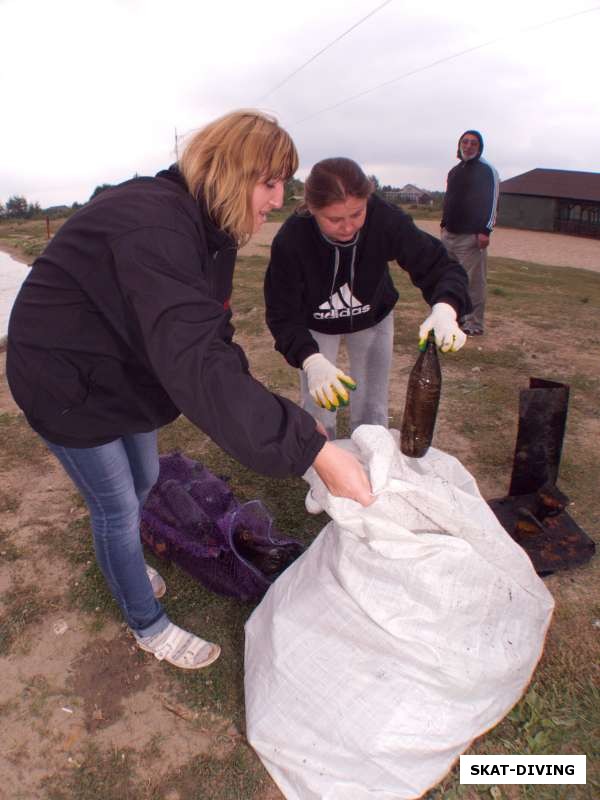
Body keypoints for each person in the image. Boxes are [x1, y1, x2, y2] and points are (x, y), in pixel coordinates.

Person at [6, 111, 373, 671]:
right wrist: (310, 449)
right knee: (116, 505)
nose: (279, 199)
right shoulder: (153, 226)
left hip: (124, 369)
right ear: (232, 171)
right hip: (64, 378)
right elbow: (196, 363)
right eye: (270, 182)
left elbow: (211, 335)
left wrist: (292, 427)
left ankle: (125, 554)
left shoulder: (211, 232)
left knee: (146, 480)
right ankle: (145, 621)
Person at [263, 157, 471, 441]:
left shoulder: (385, 219)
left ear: (368, 199)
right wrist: (310, 360)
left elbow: (439, 264)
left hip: (373, 317)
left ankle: (373, 466)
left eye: (357, 214)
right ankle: (323, 468)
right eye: (334, 219)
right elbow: (281, 313)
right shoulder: (292, 239)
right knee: (320, 404)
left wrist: (446, 307)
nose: (348, 227)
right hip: (315, 322)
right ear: (312, 209)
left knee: (373, 405)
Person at [440, 130, 500, 336]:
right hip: (449, 235)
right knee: (450, 279)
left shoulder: (486, 170)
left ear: (479, 147)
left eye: (473, 143)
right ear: (459, 145)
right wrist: (443, 224)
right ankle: (453, 318)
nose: (468, 146)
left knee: (473, 282)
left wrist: (485, 230)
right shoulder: (454, 171)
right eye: (465, 142)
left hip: (472, 237)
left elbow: (492, 201)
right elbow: (449, 199)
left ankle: (474, 323)